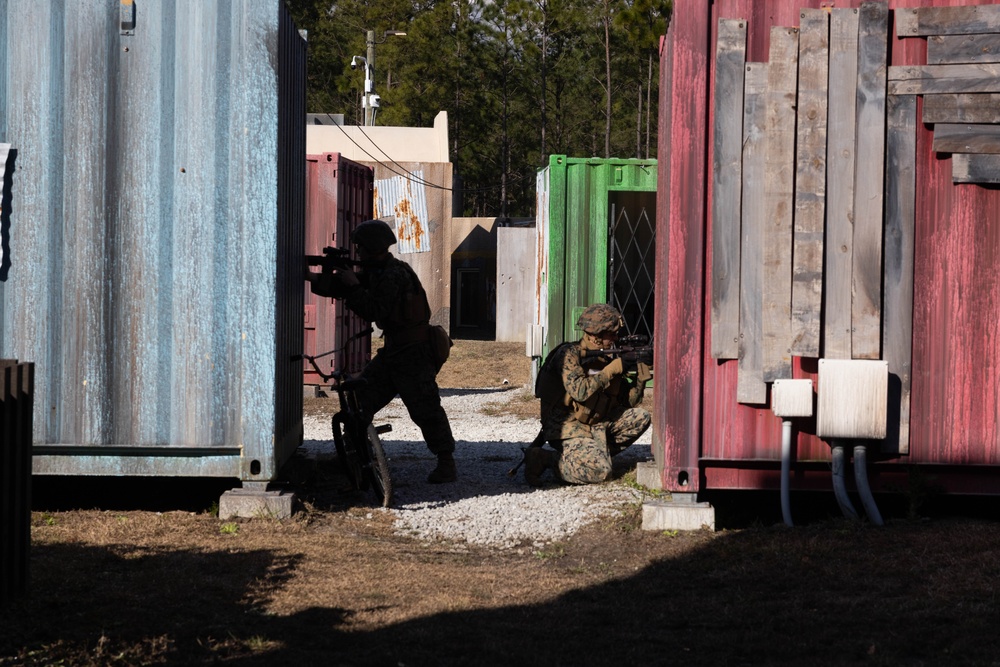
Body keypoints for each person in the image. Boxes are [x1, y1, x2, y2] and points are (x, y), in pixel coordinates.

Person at [306, 219, 457, 484]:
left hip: (413, 354)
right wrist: (314, 278)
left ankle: (446, 463)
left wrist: (353, 285)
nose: (358, 253)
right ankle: (352, 457)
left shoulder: (393, 275)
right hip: (395, 352)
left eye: (361, 248)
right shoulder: (378, 271)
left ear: (372, 247)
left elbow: (373, 310)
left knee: (426, 409)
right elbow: (344, 286)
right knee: (359, 398)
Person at [526, 303, 652, 486]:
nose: (616, 338)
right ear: (596, 335)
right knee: (601, 472)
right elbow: (580, 391)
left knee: (641, 417)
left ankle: (593, 454)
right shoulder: (568, 354)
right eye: (612, 334)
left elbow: (628, 401)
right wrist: (613, 369)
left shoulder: (604, 359)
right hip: (568, 427)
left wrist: (642, 376)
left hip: (595, 424)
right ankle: (545, 459)